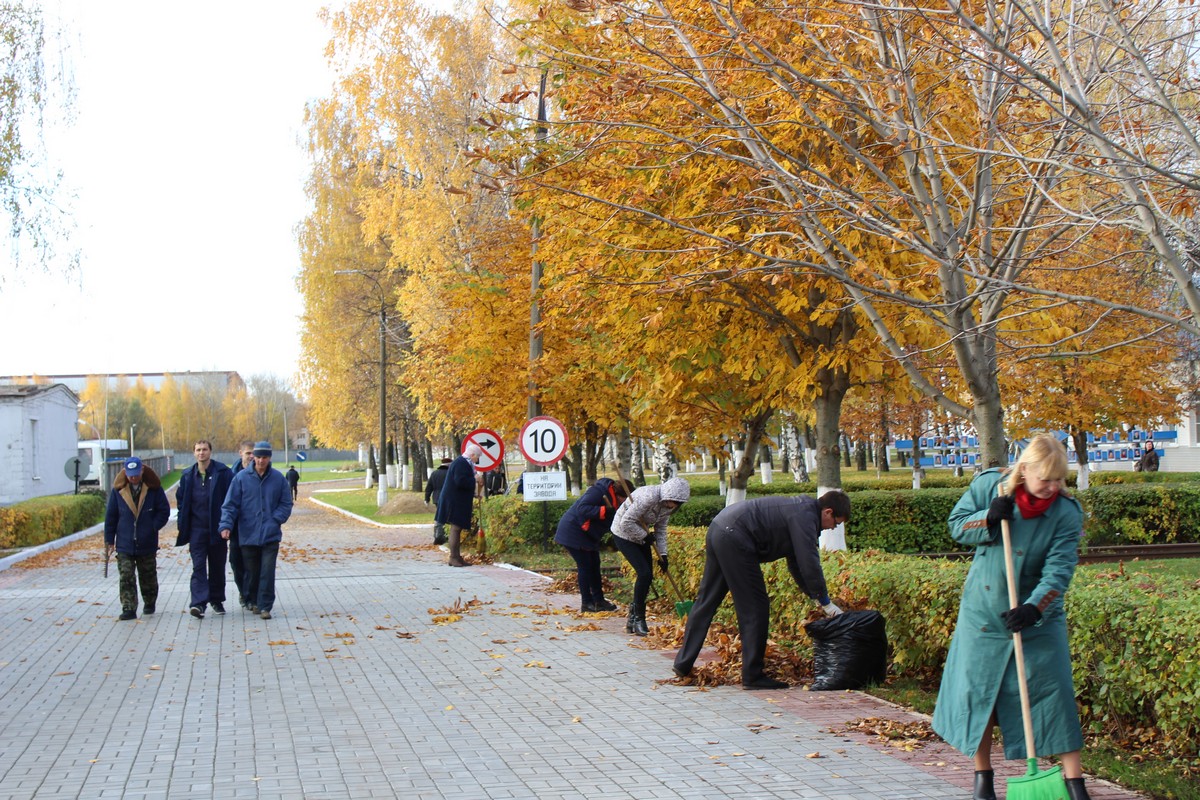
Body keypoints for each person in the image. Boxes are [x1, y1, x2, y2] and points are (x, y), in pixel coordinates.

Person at [932, 433, 1091, 800]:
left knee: (1054, 695)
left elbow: (1060, 569)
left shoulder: (1066, 512)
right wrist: (986, 517)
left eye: (1058, 479)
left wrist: (1035, 607)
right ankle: (983, 777)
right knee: (979, 695)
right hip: (984, 616)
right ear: (1026, 469)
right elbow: (956, 524)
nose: (1052, 487)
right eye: (1044, 479)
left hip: (1037, 617)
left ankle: (1074, 784)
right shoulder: (991, 485)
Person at [671, 491, 850, 689]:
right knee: (755, 607)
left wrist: (815, 597)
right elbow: (809, 562)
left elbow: (797, 564)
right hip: (736, 536)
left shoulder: (802, 510)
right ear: (828, 511)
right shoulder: (805, 517)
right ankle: (753, 676)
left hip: (720, 528)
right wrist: (825, 601)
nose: (833, 528)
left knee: (706, 601)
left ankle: (683, 663)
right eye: (836, 523)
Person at [219, 441, 293, 620]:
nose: (260, 461)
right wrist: (226, 525)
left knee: (267, 571)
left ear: (269, 458)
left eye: (264, 457)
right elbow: (230, 505)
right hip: (248, 533)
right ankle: (251, 599)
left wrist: (275, 519)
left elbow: (286, 503)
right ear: (254, 458)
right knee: (251, 571)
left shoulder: (278, 479)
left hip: (270, 533)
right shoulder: (241, 478)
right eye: (258, 457)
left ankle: (265, 605)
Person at [611, 477, 691, 636]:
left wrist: (663, 554)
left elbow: (660, 529)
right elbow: (626, 522)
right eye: (671, 501)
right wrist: (645, 536)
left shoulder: (668, 506)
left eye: (676, 503)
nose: (672, 505)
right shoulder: (647, 497)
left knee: (648, 576)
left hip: (641, 536)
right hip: (623, 534)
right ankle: (640, 619)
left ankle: (632, 618)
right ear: (666, 496)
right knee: (644, 573)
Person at [554, 476, 635, 613]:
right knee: (585, 566)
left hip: (588, 534)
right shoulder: (598, 492)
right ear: (618, 494)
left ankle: (599, 601)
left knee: (594, 564)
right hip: (575, 530)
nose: (625, 503)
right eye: (624, 499)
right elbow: (582, 509)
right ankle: (586, 603)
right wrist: (604, 511)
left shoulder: (614, 500)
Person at [103, 457, 170, 621]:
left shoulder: (153, 489)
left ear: (141, 471)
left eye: (136, 474)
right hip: (125, 543)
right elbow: (111, 517)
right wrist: (109, 540)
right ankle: (128, 607)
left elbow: (164, 511)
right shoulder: (118, 491)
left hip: (146, 541)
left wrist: (153, 527)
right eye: (130, 475)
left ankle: (149, 602)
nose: (133, 478)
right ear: (125, 473)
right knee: (126, 576)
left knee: (148, 575)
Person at [175, 440, 234, 619]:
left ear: (210, 452)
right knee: (198, 566)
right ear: (194, 453)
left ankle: (216, 599)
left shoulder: (223, 473)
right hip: (196, 530)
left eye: (205, 450)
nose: (201, 453)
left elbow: (231, 499)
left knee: (217, 566)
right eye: (198, 450)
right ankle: (198, 603)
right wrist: (182, 523)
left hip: (218, 528)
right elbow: (181, 501)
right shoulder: (187, 476)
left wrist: (228, 524)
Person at [435, 445, 483, 566]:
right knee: (456, 529)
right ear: (472, 455)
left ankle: (457, 557)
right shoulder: (461, 463)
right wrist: (475, 479)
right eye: (478, 457)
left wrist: (473, 494)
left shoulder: (462, 462)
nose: (478, 460)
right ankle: (453, 557)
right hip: (454, 501)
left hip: (456, 500)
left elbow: (461, 482)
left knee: (457, 528)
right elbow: (460, 481)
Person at [227, 440, 255, 609]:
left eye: (254, 453)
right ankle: (243, 591)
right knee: (236, 562)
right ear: (241, 454)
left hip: (255, 527)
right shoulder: (230, 475)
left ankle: (250, 596)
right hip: (236, 528)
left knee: (252, 563)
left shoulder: (262, 472)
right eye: (248, 453)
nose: (251, 456)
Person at [425, 457, 452, 545]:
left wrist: (427, 499)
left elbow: (429, 488)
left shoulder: (434, 474)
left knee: (439, 516)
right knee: (449, 517)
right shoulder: (450, 473)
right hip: (449, 498)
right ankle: (444, 536)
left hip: (437, 498)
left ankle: (437, 535)